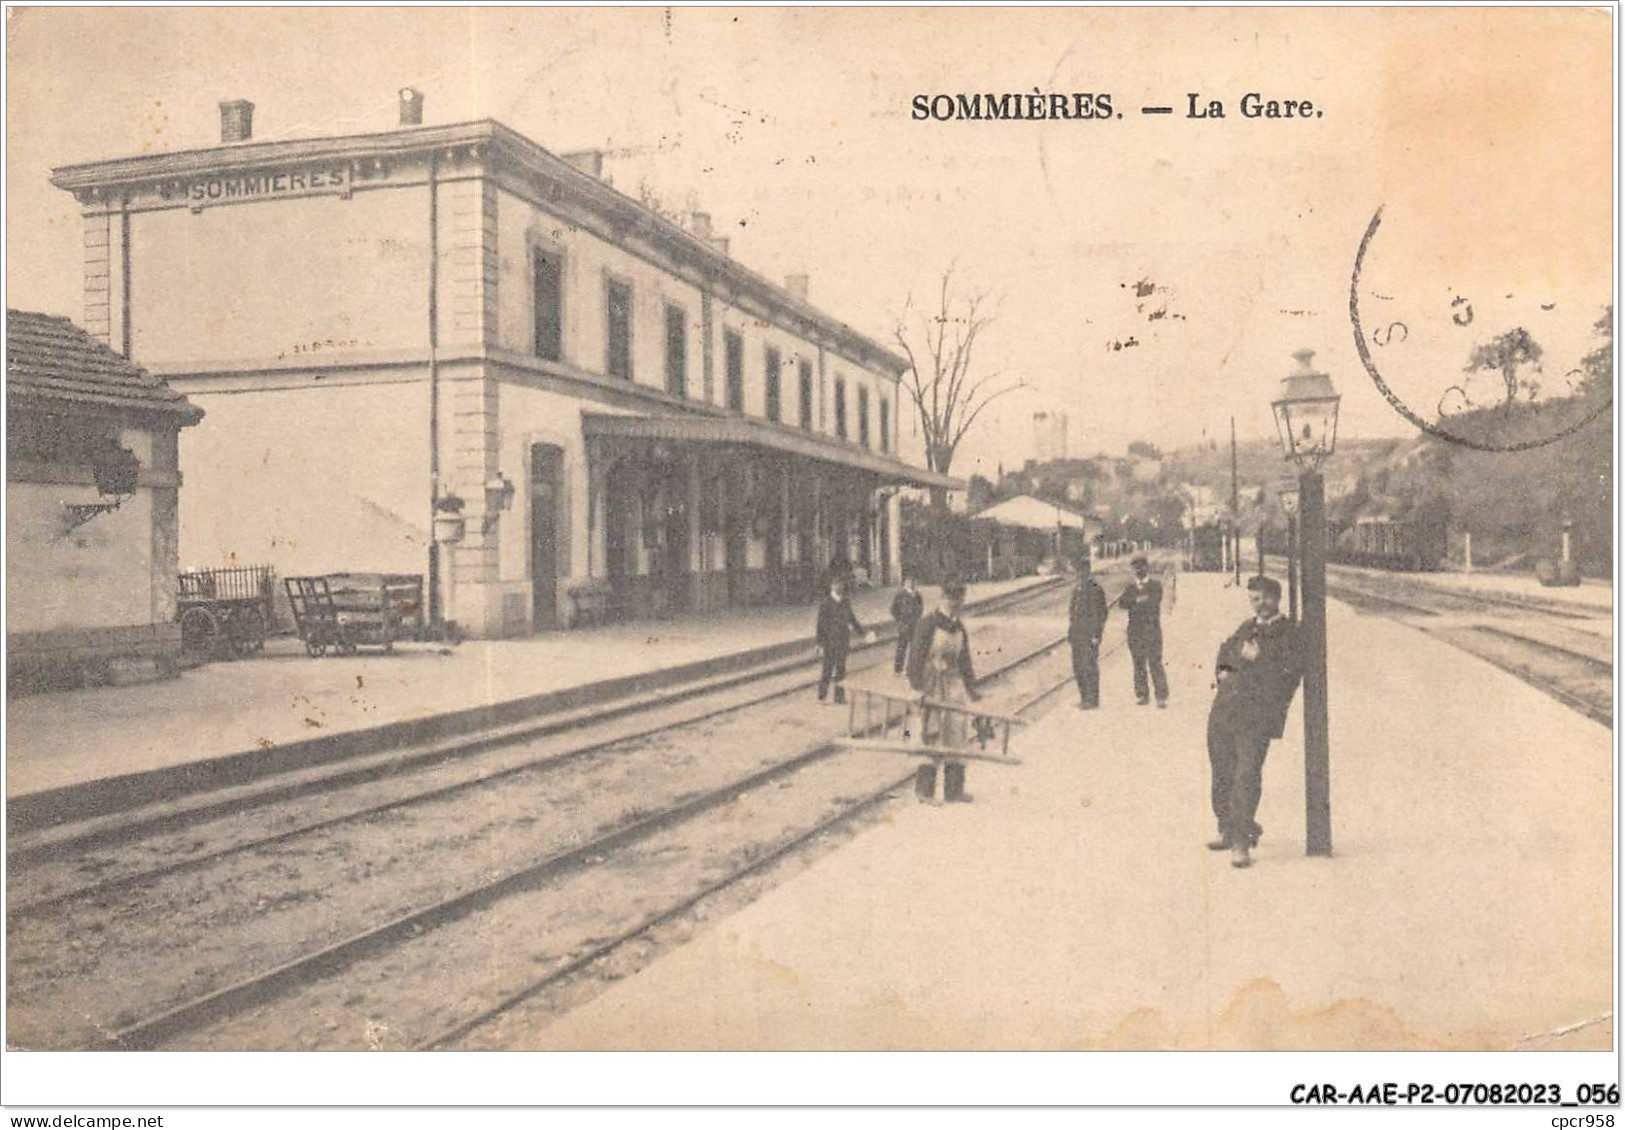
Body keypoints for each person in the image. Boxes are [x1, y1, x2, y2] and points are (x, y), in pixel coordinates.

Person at [1205, 575, 1302, 869]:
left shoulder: (1289, 633)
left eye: (1264, 599)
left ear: (1277, 598)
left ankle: (1241, 841)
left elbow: (1289, 675)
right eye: (1254, 600)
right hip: (1225, 711)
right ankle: (1227, 827)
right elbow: (1225, 651)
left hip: (1255, 717)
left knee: (1246, 775)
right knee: (1222, 770)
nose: (1259, 606)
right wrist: (1222, 672)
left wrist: (1257, 660)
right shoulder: (1247, 628)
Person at [907, 579, 981, 803]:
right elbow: (915, 659)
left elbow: (965, 662)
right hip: (931, 686)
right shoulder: (928, 624)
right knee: (931, 735)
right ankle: (924, 791)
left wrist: (973, 691)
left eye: (959, 600)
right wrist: (917, 687)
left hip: (954, 686)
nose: (955, 604)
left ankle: (954, 790)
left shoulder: (959, 627)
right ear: (943, 598)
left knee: (956, 734)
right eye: (951, 599)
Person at [1117, 555, 1170, 708]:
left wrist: (1135, 602)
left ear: (1147, 568)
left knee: (1155, 663)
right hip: (1135, 632)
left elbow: (1153, 603)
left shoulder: (1155, 585)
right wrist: (1139, 600)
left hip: (1152, 631)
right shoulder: (1130, 588)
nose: (1139, 570)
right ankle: (1142, 694)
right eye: (1136, 568)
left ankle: (1161, 697)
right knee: (1138, 664)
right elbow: (1122, 604)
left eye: (1141, 567)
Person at [814, 575, 866, 705]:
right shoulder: (825, 604)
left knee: (841, 670)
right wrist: (819, 644)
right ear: (832, 586)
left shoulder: (845, 602)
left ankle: (839, 697)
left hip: (843, 641)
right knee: (827, 670)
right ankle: (822, 696)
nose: (839, 587)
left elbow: (852, 620)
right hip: (829, 643)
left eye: (841, 584)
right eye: (836, 584)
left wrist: (863, 634)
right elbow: (820, 625)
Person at [1067, 553, 1109, 709]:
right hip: (1077, 635)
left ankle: (1093, 700)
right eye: (1078, 572)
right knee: (1078, 667)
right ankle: (1084, 698)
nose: (1080, 575)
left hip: (1090, 635)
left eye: (1083, 571)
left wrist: (1097, 634)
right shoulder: (1076, 590)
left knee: (1089, 667)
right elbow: (1072, 613)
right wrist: (1071, 633)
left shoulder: (1096, 590)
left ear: (1088, 571)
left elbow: (1102, 613)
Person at [889, 575, 924, 675]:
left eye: (914, 582)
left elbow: (921, 608)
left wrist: (918, 618)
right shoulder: (900, 594)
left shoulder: (917, 595)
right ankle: (898, 669)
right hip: (904, 625)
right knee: (902, 647)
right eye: (910, 581)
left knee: (914, 647)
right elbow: (893, 609)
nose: (912, 584)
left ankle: (911, 669)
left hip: (915, 625)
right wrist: (900, 620)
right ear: (905, 582)